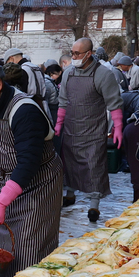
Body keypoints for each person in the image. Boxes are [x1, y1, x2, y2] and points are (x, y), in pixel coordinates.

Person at [0, 56, 63, 274]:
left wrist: (1, 203)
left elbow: (28, 162)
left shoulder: (24, 110)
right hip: (9, 182)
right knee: (1, 246)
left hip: (38, 185)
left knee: (29, 248)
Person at [56, 38, 124, 224]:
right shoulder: (68, 72)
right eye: (72, 53)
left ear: (89, 54)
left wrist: (118, 128)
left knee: (94, 167)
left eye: (77, 53)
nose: (74, 56)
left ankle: (94, 204)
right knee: (69, 164)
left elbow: (114, 103)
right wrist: (59, 124)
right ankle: (70, 194)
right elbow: (63, 101)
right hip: (71, 128)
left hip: (94, 130)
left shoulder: (103, 74)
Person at [3, 47, 56, 119]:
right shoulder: (36, 67)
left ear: (12, 58)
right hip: (43, 104)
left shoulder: (21, 70)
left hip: (30, 106)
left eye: (7, 63)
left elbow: (22, 90)